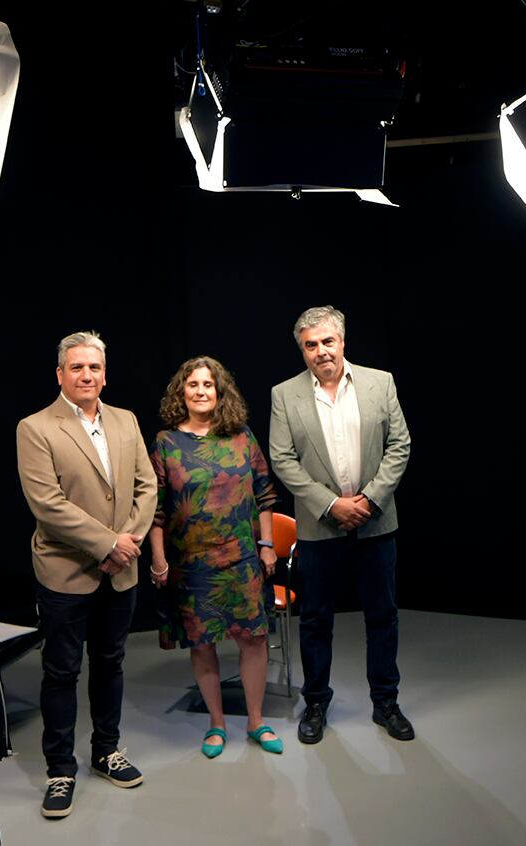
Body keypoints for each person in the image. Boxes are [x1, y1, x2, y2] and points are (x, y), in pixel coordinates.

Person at [16, 330, 156, 820]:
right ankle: (60, 769)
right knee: (61, 672)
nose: (86, 375)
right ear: (60, 374)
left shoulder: (126, 420)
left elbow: (147, 485)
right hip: (65, 574)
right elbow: (48, 505)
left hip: (121, 571)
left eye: (94, 367)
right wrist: (107, 544)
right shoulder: (35, 428)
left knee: (112, 663)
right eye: (76, 368)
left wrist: (127, 544)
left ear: (104, 373)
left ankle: (106, 750)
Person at [268, 305, 414, 744]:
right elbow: (282, 459)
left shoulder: (379, 382)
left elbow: (400, 446)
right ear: (302, 350)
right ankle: (316, 704)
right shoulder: (284, 394)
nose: (320, 352)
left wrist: (368, 500)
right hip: (319, 526)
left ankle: (385, 702)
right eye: (310, 345)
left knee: (382, 616)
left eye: (327, 342)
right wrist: (332, 504)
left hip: (375, 521)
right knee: (315, 620)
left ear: (342, 342)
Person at [147, 356, 282, 759]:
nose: (201, 391)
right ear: (181, 392)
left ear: (220, 393)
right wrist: (158, 561)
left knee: (253, 640)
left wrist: (268, 544)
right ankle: (217, 723)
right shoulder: (166, 444)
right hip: (192, 564)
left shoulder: (242, 437)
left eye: (209, 385)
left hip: (242, 559)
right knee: (202, 644)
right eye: (193, 385)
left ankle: (256, 721)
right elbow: (154, 510)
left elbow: (265, 494)